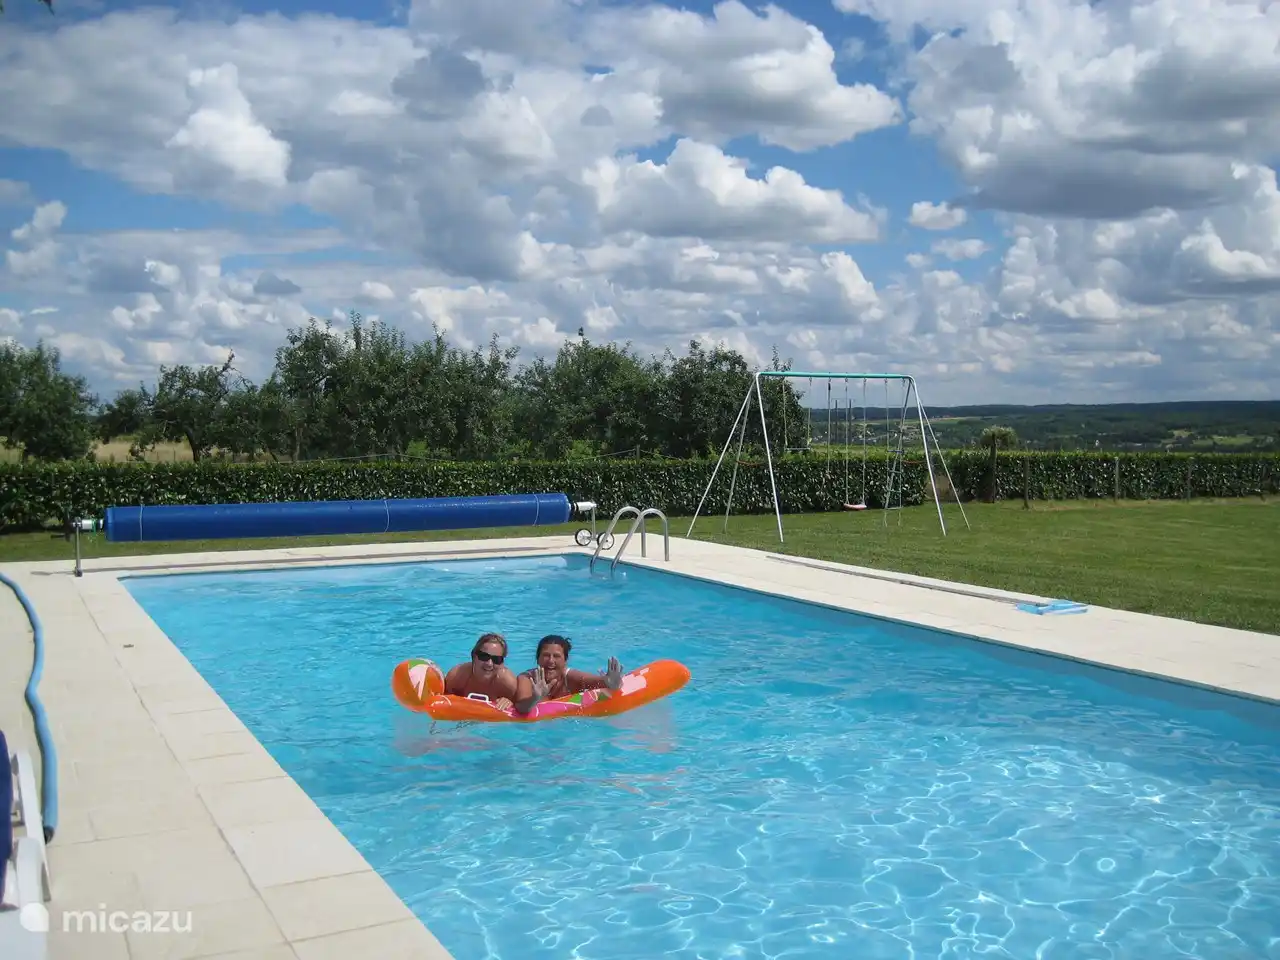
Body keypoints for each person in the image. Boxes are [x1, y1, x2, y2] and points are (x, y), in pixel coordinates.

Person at [513, 634, 623, 715]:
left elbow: (599, 682)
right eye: (546, 655)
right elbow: (521, 708)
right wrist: (535, 698)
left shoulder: (570, 678)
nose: (551, 661)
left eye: (556, 656)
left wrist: (610, 683)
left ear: (565, 660)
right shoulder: (527, 678)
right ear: (537, 659)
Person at [443, 633, 518, 710]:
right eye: (484, 656)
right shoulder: (456, 677)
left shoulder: (508, 684)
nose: (489, 664)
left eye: (496, 659)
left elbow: (521, 709)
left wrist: (509, 702)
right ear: (473, 656)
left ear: (502, 663)